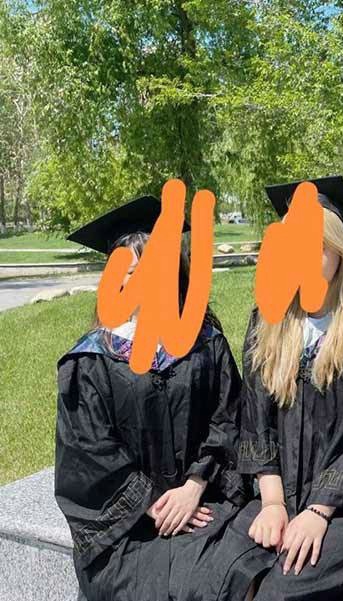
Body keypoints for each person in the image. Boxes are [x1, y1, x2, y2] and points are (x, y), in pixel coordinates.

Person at [208, 176, 343, 601]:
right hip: (281, 494)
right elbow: (256, 418)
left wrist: (318, 511)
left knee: (279, 590)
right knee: (225, 577)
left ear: (339, 254)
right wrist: (272, 503)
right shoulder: (268, 322)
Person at [55, 196, 248, 601]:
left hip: (205, 502)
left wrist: (195, 485)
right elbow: (88, 451)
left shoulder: (205, 342)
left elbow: (228, 417)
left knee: (237, 573)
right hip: (126, 525)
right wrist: (152, 502)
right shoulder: (90, 360)